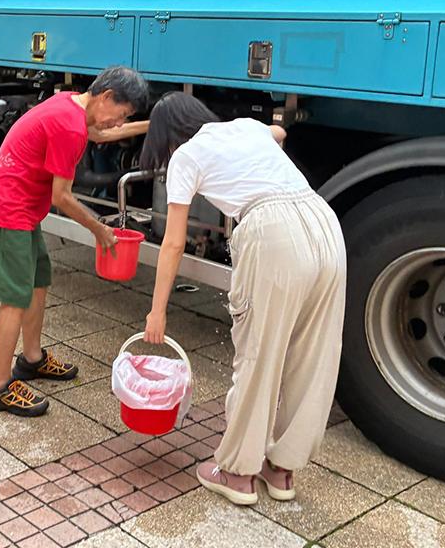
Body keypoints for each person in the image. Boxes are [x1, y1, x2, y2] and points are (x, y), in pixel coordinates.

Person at [139, 92, 346, 506]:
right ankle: (282, 470)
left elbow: (173, 243)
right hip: (323, 222)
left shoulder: (186, 156)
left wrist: (156, 310)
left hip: (272, 230)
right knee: (314, 353)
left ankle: (237, 473)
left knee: (258, 355)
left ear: (168, 137)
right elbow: (279, 130)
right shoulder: (245, 127)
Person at [0, 67, 149, 416]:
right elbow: (63, 197)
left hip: (22, 209)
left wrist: (153, 126)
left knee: (38, 283)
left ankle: (32, 359)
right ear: (107, 97)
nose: (120, 123)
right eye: (123, 113)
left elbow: (99, 135)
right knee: (14, 298)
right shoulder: (70, 125)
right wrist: (99, 229)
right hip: (8, 210)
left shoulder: (70, 104)